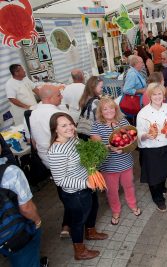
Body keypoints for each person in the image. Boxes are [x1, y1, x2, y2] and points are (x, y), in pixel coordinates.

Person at [48, 112, 107, 259]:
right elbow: (60, 180)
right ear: (55, 129)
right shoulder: (56, 151)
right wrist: (86, 183)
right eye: (64, 126)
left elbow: (85, 155)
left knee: (93, 208)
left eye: (70, 124)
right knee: (78, 221)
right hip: (76, 193)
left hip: (88, 185)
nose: (70, 128)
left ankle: (91, 232)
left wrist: (104, 149)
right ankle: (79, 251)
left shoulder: (73, 139)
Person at [90, 98, 141, 225]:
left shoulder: (122, 121)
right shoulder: (96, 125)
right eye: (105, 109)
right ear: (101, 112)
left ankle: (132, 204)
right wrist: (110, 147)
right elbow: (96, 146)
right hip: (109, 166)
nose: (109, 111)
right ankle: (116, 210)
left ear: (115, 109)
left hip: (126, 163)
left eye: (111, 108)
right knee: (112, 190)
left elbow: (131, 139)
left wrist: (125, 147)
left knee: (129, 186)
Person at [0, 146, 47, 267]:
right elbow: (26, 208)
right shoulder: (10, 171)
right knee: (27, 260)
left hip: (3, 235)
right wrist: (37, 222)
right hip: (16, 232)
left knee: (13, 256)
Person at [137, 83, 167, 212]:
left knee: (164, 170)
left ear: (163, 94)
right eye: (154, 94)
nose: (157, 96)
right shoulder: (143, 113)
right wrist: (145, 135)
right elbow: (139, 132)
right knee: (154, 175)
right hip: (150, 149)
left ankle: (162, 188)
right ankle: (158, 198)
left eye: (159, 93)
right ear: (149, 96)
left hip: (165, 145)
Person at [29, 84, 65, 169]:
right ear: (50, 98)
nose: (62, 97)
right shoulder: (59, 115)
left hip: (45, 159)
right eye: (59, 95)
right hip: (62, 159)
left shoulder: (33, 114)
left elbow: (33, 141)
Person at [77, 76, 103, 140]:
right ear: (93, 87)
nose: (102, 89)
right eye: (101, 87)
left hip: (83, 130)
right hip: (92, 132)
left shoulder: (86, 97)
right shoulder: (96, 102)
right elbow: (100, 118)